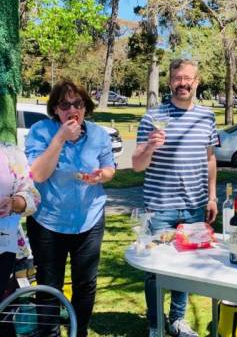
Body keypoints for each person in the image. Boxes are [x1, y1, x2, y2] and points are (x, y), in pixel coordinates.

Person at [132, 59, 218, 337]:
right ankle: (155, 324)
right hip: (160, 206)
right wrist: (149, 146)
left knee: (185, 265)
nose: (183, 83)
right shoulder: (153, 117)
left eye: (188, 78)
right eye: (178, 78)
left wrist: (212, 197)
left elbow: (210, 159)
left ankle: (178, 320)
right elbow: (136, 165)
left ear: (197, 81)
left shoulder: (207, 117)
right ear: (170, 83)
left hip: (194, 205)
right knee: (154, 267)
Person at [25, 80, 116, 337]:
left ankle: (80, 331)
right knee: (49, 286)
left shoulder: (98, 135)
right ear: (55, 109)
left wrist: (102, 175)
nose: (72, 108)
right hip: (48, 222)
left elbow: (109, 167)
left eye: (78, 103)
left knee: (85, 285)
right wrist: (60, 139)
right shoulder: (41, 132)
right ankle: (50, 334)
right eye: (65, 104)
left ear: (85, 107)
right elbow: (38, 175)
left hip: (89, 220)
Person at [0, 143, 40, 337]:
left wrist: (15, 203)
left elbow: (32, 196)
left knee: (4, 317)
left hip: (4, 250)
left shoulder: (11, 153)